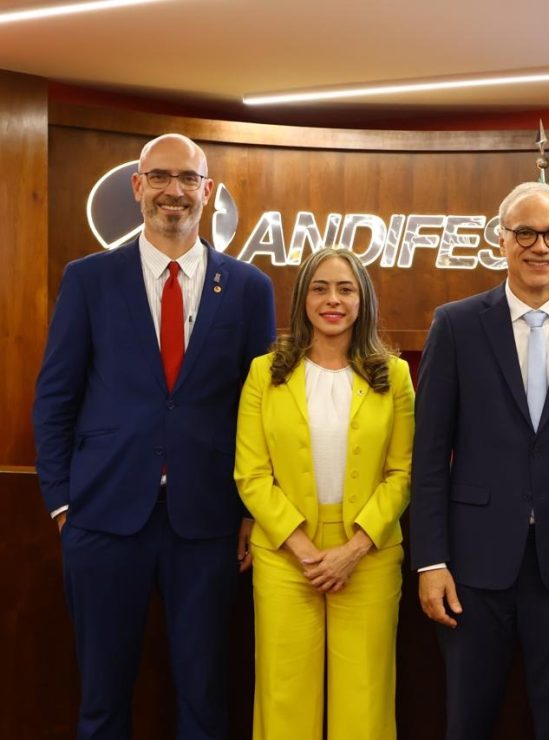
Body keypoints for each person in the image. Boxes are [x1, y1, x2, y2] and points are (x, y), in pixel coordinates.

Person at [32, 133, 276, 739]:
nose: (175, 191)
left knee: (203, 694)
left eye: (188, 179)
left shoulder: (248, 289)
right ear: (137, 186)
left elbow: (261, 408)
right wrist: (63, 502)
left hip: (207, 524)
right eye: (161, 177)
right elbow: (56, 394)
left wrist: (249, 510)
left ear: (208, 191)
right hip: (104, 517)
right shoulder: (89, 279)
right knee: (102, 696)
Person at [409, 181, 549, 740]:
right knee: (469, 717)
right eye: (525, 232)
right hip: (472, 565)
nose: (540, 245)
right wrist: (430, 559)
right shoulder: (456, 324)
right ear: (502, 240)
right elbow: (430, 455)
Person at [234, 247, 414, 740]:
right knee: (284, 695)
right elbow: (251, 474)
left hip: (369, 555)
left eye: (345, 288)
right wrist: (306, 550)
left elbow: (403, 472)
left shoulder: (394, 376)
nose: (332, 300)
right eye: (320, 288)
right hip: (286, 554)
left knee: (365, 699)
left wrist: (353, 549)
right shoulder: (263, 373)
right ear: (302, 300)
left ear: (363, 300)